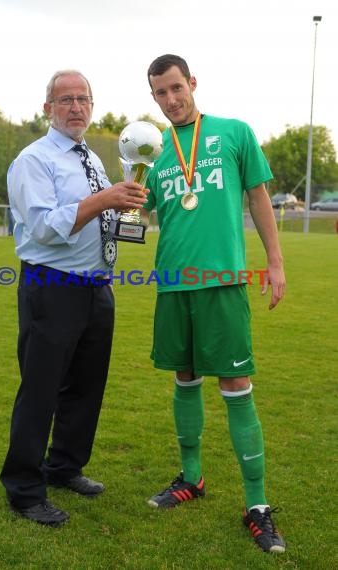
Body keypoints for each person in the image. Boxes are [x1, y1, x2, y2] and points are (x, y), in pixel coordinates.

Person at [140, 54, 286, 553]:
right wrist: (128, 185)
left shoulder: (233, 132)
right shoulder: (154, 151)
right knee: (184, 378)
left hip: (221, 281)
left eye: (176, 88)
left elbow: (259, 197)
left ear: (192, 83)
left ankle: (257, 505)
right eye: (160, 93)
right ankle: (192, 478)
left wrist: (275, 261)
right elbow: (142, 211)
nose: (171, 100)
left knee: (235, 383)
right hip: (172, 284)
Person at [0, 69, 147, 527]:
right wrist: (105, 199)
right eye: (65, 100)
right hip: (53, 285)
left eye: (83, 99)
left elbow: (101, 211)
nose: (76, 107)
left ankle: (64, 466)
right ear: (48, 109)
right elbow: (43, 226)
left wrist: (122, 205)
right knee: (41, 388)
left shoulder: (92, 158)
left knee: (86, 386)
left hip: (96, 286)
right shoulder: (34, 159)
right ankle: (24, 489)